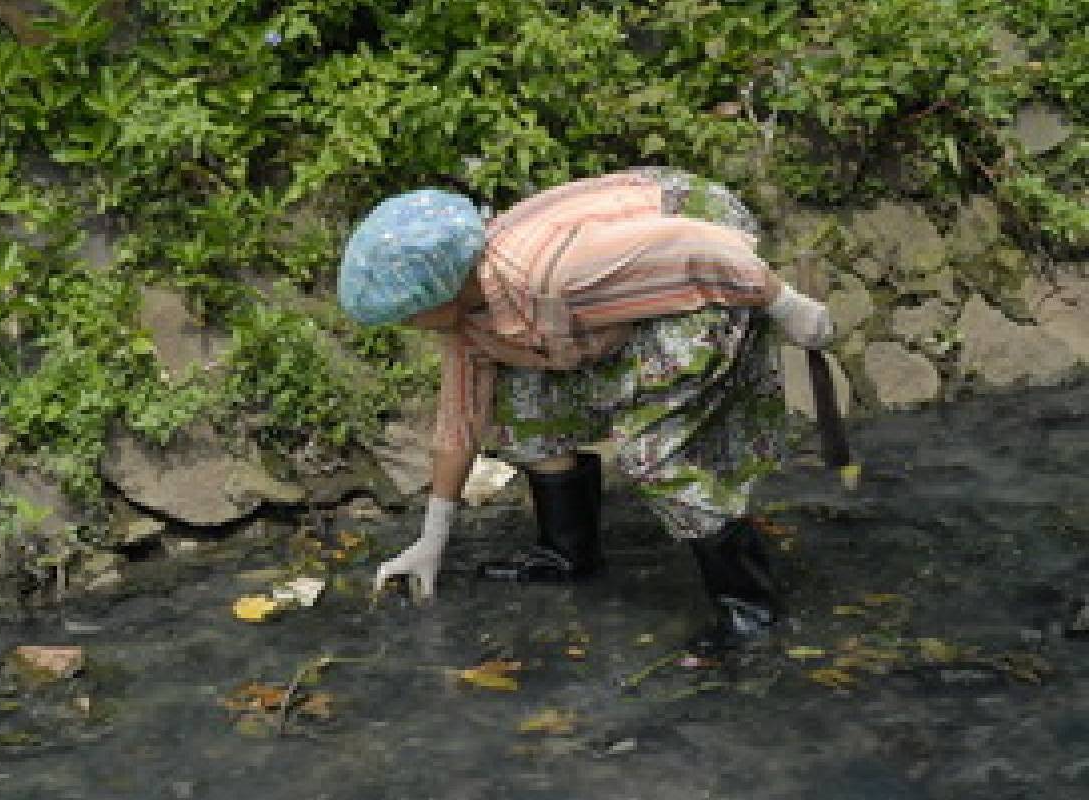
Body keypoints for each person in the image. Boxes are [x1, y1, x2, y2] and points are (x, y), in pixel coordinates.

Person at [338, 167, 834, 649]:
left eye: (406, 314)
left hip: (695, 247)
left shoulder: (553, 271)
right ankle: (568, 553)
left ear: (438, 289)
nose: (405, 325)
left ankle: (751, 609)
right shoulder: (467, 316)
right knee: (521, 410)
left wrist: (788, 305)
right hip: (620, 282)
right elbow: (460, 419)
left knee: (654, 453)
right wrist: (433, 539)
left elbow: (700, 251)